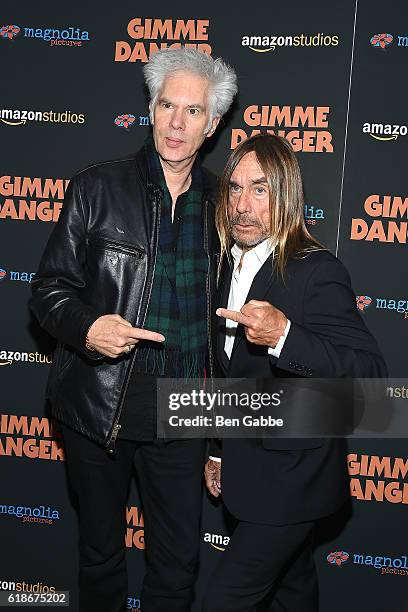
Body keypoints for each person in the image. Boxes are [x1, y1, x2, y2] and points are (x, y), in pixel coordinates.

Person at [29, 48, 237, 612]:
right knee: (100, 557)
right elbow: (46, 291)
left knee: (176, 566)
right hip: (100, 401)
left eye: (193, 111)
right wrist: (88, 326)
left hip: (185, 408)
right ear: (150, 107)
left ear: (213, 124)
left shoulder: (225, 206)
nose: (176, 123)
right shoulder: (97, 188)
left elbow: (234, 323)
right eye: (167, 105)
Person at [203, 134, 387, 611]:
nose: (243, 205)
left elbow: (369, 377)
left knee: (224, 601)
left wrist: (286, 335)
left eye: (259, 190)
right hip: (248, 476)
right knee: (293, 590)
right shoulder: (224, 265)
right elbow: (232, 376)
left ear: (285, 196)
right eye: (235, 189)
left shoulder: (315, 271)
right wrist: (220, 452)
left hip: (292, 481)